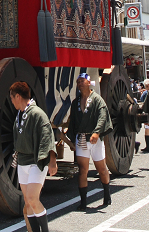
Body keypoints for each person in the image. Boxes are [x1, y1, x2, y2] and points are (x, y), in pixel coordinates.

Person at [10, 81, 57, 232]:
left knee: (32, 199)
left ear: (17, 96)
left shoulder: (37, 113)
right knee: (28, 203)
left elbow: (47, 136)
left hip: (36, 162)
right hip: (22, 162)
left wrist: (52, 161)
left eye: (11, 98)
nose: (11, 101)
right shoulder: (20, 114)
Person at [66, 73, 113, 210]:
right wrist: (71, 138)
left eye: (82, 81)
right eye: (78, 81)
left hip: (95, 140)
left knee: (102, 168)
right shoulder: (76, 102)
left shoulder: (97, 100)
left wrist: (97, 132)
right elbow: (72, 121)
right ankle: (83, 202)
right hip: (81, 139)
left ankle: (106, 193)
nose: (80, 83)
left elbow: (102, 116)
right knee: (82, 170)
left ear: (89, 82)